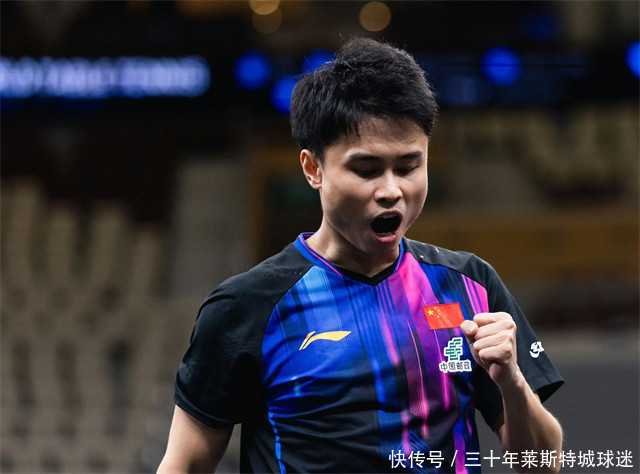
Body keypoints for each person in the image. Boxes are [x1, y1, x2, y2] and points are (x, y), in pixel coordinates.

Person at [158, 38, 563, 473]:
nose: (391, 190)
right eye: (367, 170)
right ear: (313, 169)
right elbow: (184, 465)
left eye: (408, 168)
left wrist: (512, 382)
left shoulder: (470, 286)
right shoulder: (247, 306)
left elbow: (543, 464)